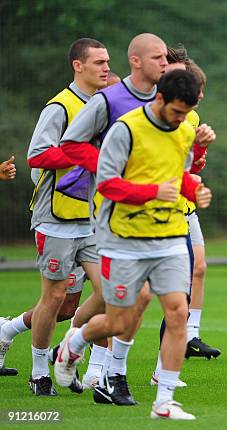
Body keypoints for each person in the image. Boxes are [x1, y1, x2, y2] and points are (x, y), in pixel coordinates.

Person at [59, 34, 210, 403]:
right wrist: (121, 171)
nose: (166, 62)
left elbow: (179, 169)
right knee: (121, 305)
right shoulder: (111, 101)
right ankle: (82, 351)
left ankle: (125, 382)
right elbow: (71, 145)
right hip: (116, 221)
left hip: (164, 223)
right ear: (137, 61)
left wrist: (197, 163)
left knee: (168, 306)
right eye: (158, 56)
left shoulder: (177, 109)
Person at [22, 38, 109, 396]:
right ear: (78, 65)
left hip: (92, 219)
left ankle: (68, 348)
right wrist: (84, 155)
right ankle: (40, 371)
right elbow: (36, 156)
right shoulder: (60, 106)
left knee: (111, 293)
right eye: (99, 62)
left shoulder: (104, 106)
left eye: (108, 62)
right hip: (56, 217)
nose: (106, 67)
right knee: (54, 297)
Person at [151, 51, 220, 391]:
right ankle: (76, 346)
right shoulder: (140, 118)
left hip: (180, 210)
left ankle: (173, 358)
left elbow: (189, 170)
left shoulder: (190, 118)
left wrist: (198, 171)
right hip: (140, 217)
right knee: (122, 303)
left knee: (193, 275)